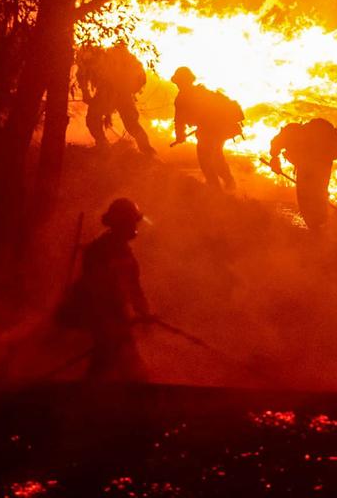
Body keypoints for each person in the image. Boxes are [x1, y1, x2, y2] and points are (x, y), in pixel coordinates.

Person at [64, 198, 152, 380]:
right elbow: (94, 290)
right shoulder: (98, 251)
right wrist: (107, 324)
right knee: (117, 367)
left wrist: (144, 312)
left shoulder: (126, 253)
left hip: (117, 320)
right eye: (130, 222)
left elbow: (134, 287)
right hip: (100, 321)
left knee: (121, 367)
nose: (134, 227)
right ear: (121, 224)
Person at [171, 66, 243, 191]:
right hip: (219, 129)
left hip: (209, 130)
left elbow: (179, 120)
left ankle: (215, 189)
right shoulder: (202, 92)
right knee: (216, 157)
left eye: (179, 81)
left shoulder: (182, 98)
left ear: (180, 81)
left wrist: (180, 135)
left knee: (205, 160)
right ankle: (229, 183)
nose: (178, 84)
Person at [268, 118, 337, 232]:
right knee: (317, 193)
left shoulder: (293, 133)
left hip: (315, 167)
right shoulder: (295, 133)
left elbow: (276, 144)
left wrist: (274, 158)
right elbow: (276, 144)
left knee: (308, 196)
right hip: (319, 166)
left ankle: (317, 225)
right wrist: (274, 159)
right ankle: (318, 225)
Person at [77, 42, 155, 156]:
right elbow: (83, 75)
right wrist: (86, 92)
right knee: (132, 124)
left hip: (110, 93)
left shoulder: (96, 59)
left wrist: (86, 93)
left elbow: (83, 75)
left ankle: (103, 147)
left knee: (93, 119)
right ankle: (149, 152)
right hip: (124, 94)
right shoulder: (107, 58)